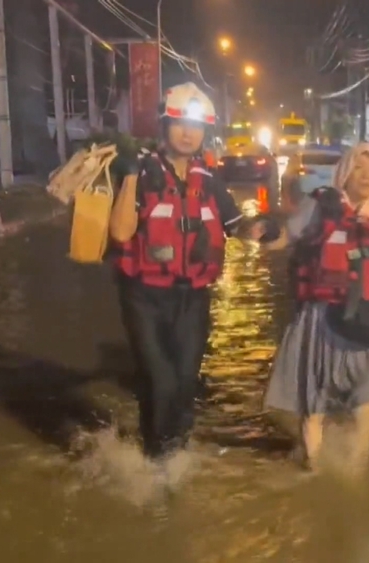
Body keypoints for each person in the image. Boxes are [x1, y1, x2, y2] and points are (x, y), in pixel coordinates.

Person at [108, 83, 264, 459]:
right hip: (144, 296)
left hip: (192, 297)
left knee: (184, 382)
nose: (188, 132)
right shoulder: (141, 171)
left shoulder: (209, 182)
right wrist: (128, 177)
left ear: (204, 132)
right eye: (179, 123)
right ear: (165, 126)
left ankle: (176, 453)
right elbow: (120, 232)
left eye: (195, 125)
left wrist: (264, 229)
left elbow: (237, 226)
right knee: (160, 380)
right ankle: (157, 460)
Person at [262, 143, 369, 474]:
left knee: (367, 408)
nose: (366, 176)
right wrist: (258, 233)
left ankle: (356, 480)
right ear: (345, 172)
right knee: (314, 406)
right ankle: (315, 470)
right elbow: (284, 237)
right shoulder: (320, 205)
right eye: (359, 168)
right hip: (323, 319)